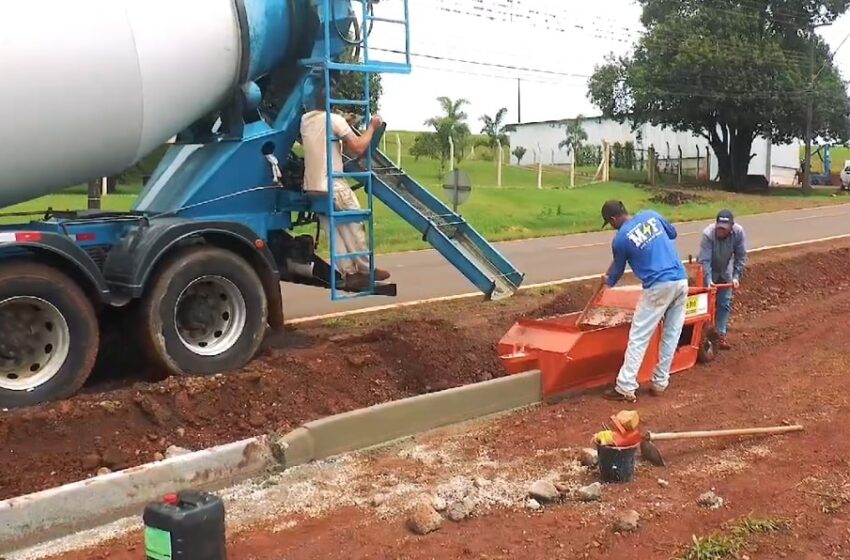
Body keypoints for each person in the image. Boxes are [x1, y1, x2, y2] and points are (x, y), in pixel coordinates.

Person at [300, 84, 390, 291]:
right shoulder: (335, 120)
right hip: (333, 183)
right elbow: (358, 147)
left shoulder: (305, 121)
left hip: (312, 186)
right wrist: (372, 127)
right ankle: (367, 271)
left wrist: (343, 124)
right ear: (333, 104)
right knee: (354, 224)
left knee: (334, 232)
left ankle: (349, 273)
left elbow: (323, 134)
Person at [600, 200, 689, 403]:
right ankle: (660, 382)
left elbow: (617, 271)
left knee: (639, 336)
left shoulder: (620, 239)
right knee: (671, 334)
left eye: (610, 223)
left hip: (658, 286)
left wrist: (608, 280)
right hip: (680, 280)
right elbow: (672, 233)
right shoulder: (651, 214)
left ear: (613, 219)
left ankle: (625, 386)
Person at [698, 209, 747, 349]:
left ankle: (720, 335)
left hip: (725, 270)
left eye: (724, 229)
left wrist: (737, 277)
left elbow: (741, 257)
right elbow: (705, 260)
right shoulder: (708, 234)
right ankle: (703, 336)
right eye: (719, 227)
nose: (721, 230)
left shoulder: (738, 233)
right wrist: (708, 281)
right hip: (708, 270)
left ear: (731, 227)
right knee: (705, 304)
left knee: (724, 303)